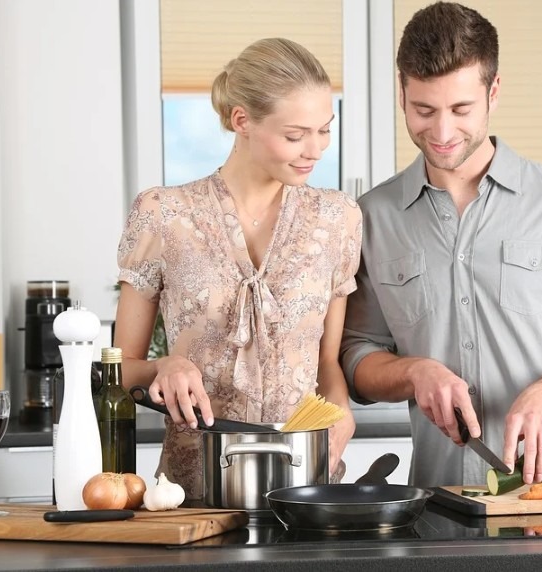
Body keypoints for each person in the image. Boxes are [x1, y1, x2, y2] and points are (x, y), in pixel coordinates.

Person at [340, 2, 542, 489]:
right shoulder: (373, 216)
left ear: (494, 92)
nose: (441, 132)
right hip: (437, 505)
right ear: (401, 93)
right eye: (423, 110)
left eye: (461, 109)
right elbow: (357, 355)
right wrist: (415, 372)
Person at [114, 38, 362, 500]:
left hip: (305, 487)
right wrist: (164, 366)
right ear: (241, 120)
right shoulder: (164, 214)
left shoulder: (339, 218)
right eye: (295, 135)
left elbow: (327, 361)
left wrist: (341, 410)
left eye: (324, 130)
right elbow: (117, 372)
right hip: (192, 493)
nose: (315, 149)